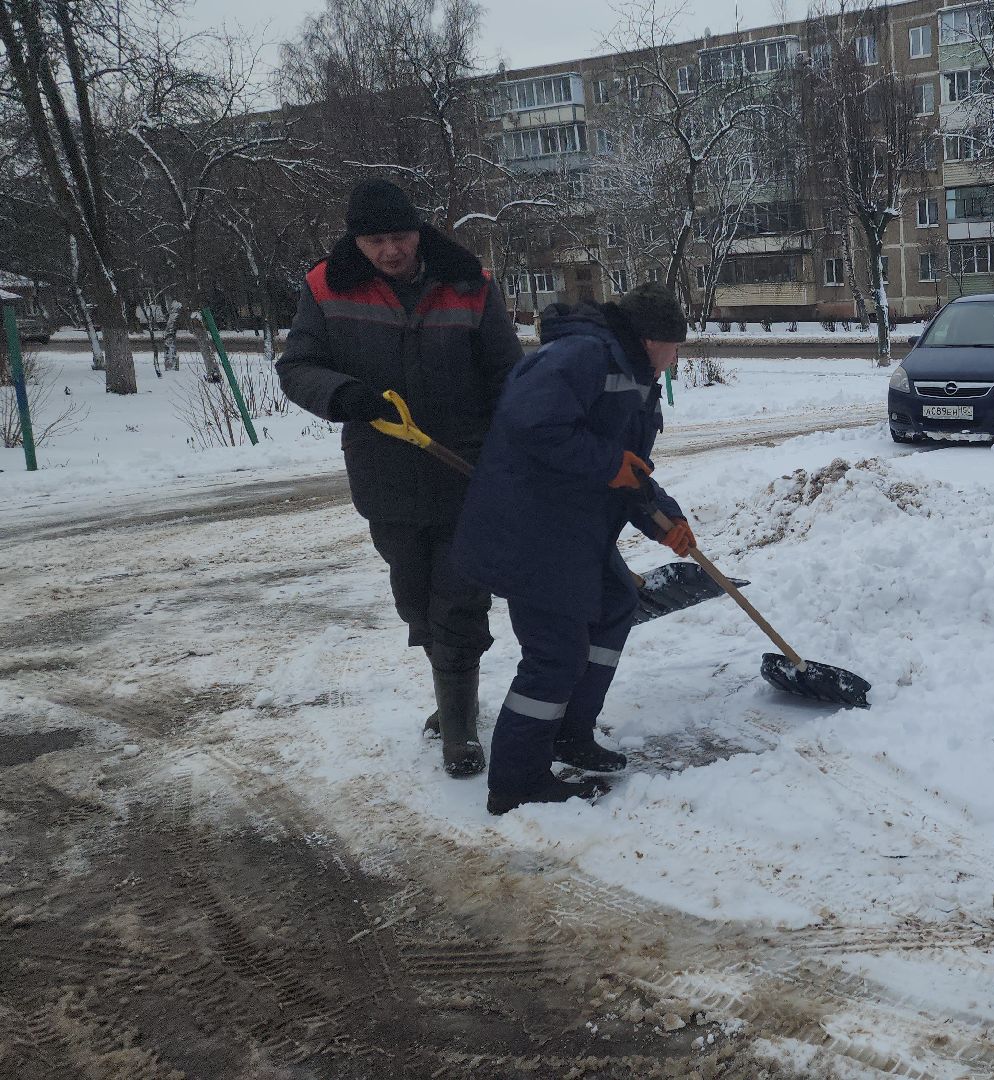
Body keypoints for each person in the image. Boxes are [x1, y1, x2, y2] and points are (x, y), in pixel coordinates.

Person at [276, 179, 522, 778]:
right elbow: (298, 367)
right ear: (356, 241)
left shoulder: (469, 283)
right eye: (376, 240)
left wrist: (519, 447)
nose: (390, 251)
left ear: (419, 230)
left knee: (461, 595)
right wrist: (343, 394)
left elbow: (507, 373)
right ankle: (451, 689)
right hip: (384, 469)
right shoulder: (326, 287)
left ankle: (459, 728)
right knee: (415, 594)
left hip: (467, 467)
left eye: (400, 236)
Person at [450, 283, 697, 815]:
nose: (677, 358)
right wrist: (610, 466)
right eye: (676, 346)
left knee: (614, 606)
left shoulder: (636, 376)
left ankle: (567, 732)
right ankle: (516, 781)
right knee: (555, 651)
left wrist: (665, 520)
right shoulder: (584, 355)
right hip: (533, 531)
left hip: (574, 531)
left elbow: (625, 468)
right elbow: (529, 421)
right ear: (652, 339)